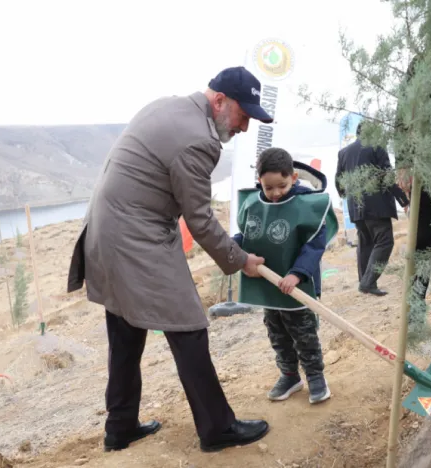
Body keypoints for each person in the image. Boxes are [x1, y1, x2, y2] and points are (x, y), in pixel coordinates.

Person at [67, 66, 271, 453]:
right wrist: (240, 259)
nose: (244, 127)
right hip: (135, 238)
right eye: (244, 116)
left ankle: (120, 426)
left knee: (126, 330)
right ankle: (217, 429)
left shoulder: (168, 107)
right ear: (220, 101)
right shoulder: (199, 140)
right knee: (189, 324)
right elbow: (200, 218)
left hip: (105, 231)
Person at [233, 149, 337, 404]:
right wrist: (231, 247)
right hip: (268, 286)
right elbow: (245, 236)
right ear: (259, 181)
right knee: (276, 331)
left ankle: (315, 377)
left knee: (304, 333)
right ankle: (290, 375)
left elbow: (314, 247)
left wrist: (297, 274)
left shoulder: (308, 206)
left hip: (296, 287)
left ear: (293, 177)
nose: (276, 193)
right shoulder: (253, 204)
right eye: (269, 188)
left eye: (282, 185)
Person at [336, 123, 409, 296]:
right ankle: (368, 282)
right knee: (385, 242)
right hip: (377, 206)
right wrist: (404, 200)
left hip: (355, 206)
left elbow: (339, 181)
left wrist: (347, 195)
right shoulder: (377, 148)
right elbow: (387, 176)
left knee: (366, 242)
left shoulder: (344, 152)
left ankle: (365, 281)